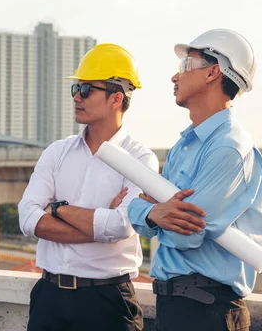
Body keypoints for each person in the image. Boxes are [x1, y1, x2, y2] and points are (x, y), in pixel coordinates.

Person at [18, 43, 208, 331]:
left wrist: (57, 209)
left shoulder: (139, 158)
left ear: (116, 98)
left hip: (107, 301)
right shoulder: (57, 152)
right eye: (75, 89)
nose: (76, 98)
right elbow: (28, 218)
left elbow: (120, 227)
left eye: (85, 90)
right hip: (49, 298)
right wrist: (98, 224)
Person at [128, 29, 262, 330]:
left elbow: (184, 234)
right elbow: (146, 220)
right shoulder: (185, 144)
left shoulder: (229, 147)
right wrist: (154, 213)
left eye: (184, 66)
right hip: (176, 306)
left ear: (213, 72)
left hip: (207, 310)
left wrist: (152, 213)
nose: (174, 77)